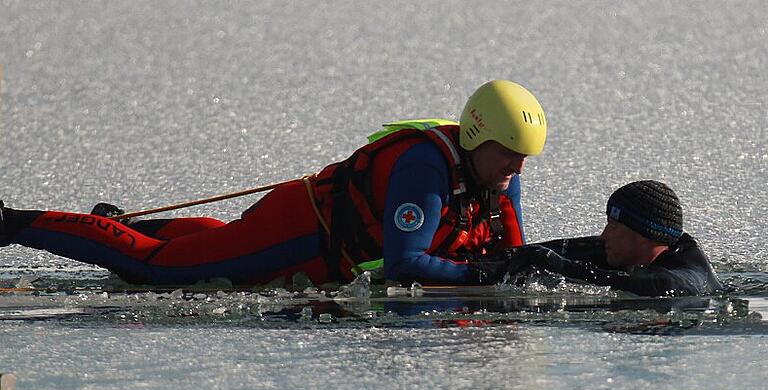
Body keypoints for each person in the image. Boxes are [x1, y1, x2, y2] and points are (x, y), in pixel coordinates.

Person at [0, 80, 547, 286]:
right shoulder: (426, 167)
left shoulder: (495, 173)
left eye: (525, 158)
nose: (517, 169)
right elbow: (406, 264)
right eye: (509, 155)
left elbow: (513, 254)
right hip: (299, 230)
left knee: (207, 243)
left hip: (322, 256)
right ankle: (14, 223)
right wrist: (483, 272)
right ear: (477, 136)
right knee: (156, 269)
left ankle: (124, 224)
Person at [511, 180, 724, 297]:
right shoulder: (630, 251)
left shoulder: (687, 276)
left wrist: (560, 266)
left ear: (643, 236)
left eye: (612, 226)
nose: (604, 236)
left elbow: (662, 287)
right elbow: (559, 251)